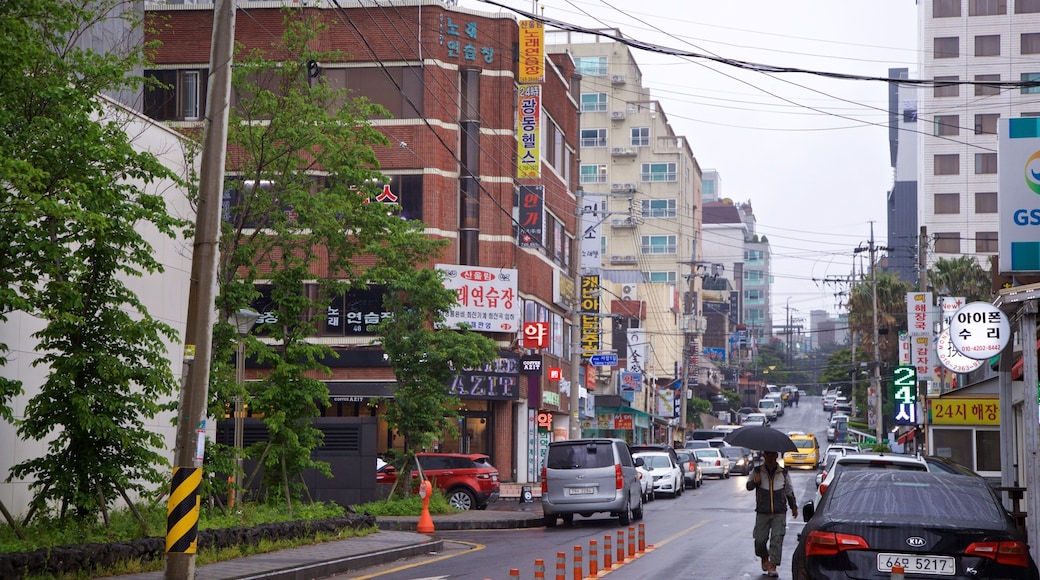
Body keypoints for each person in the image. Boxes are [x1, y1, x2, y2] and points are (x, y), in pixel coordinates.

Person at [746, 450, 797, 577]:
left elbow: (789, 490)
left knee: (777, 539)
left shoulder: (783, 473)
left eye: (772, 455)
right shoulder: (757, 471)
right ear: (763, 456)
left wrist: (793, 507)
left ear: (776, 456)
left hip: (779, 512)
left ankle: (772, 565)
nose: (770, 457)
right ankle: (764, 556)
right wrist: (755, 482)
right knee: (760, 540)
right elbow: (748, 486)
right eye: (767, 455)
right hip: (762, 511)